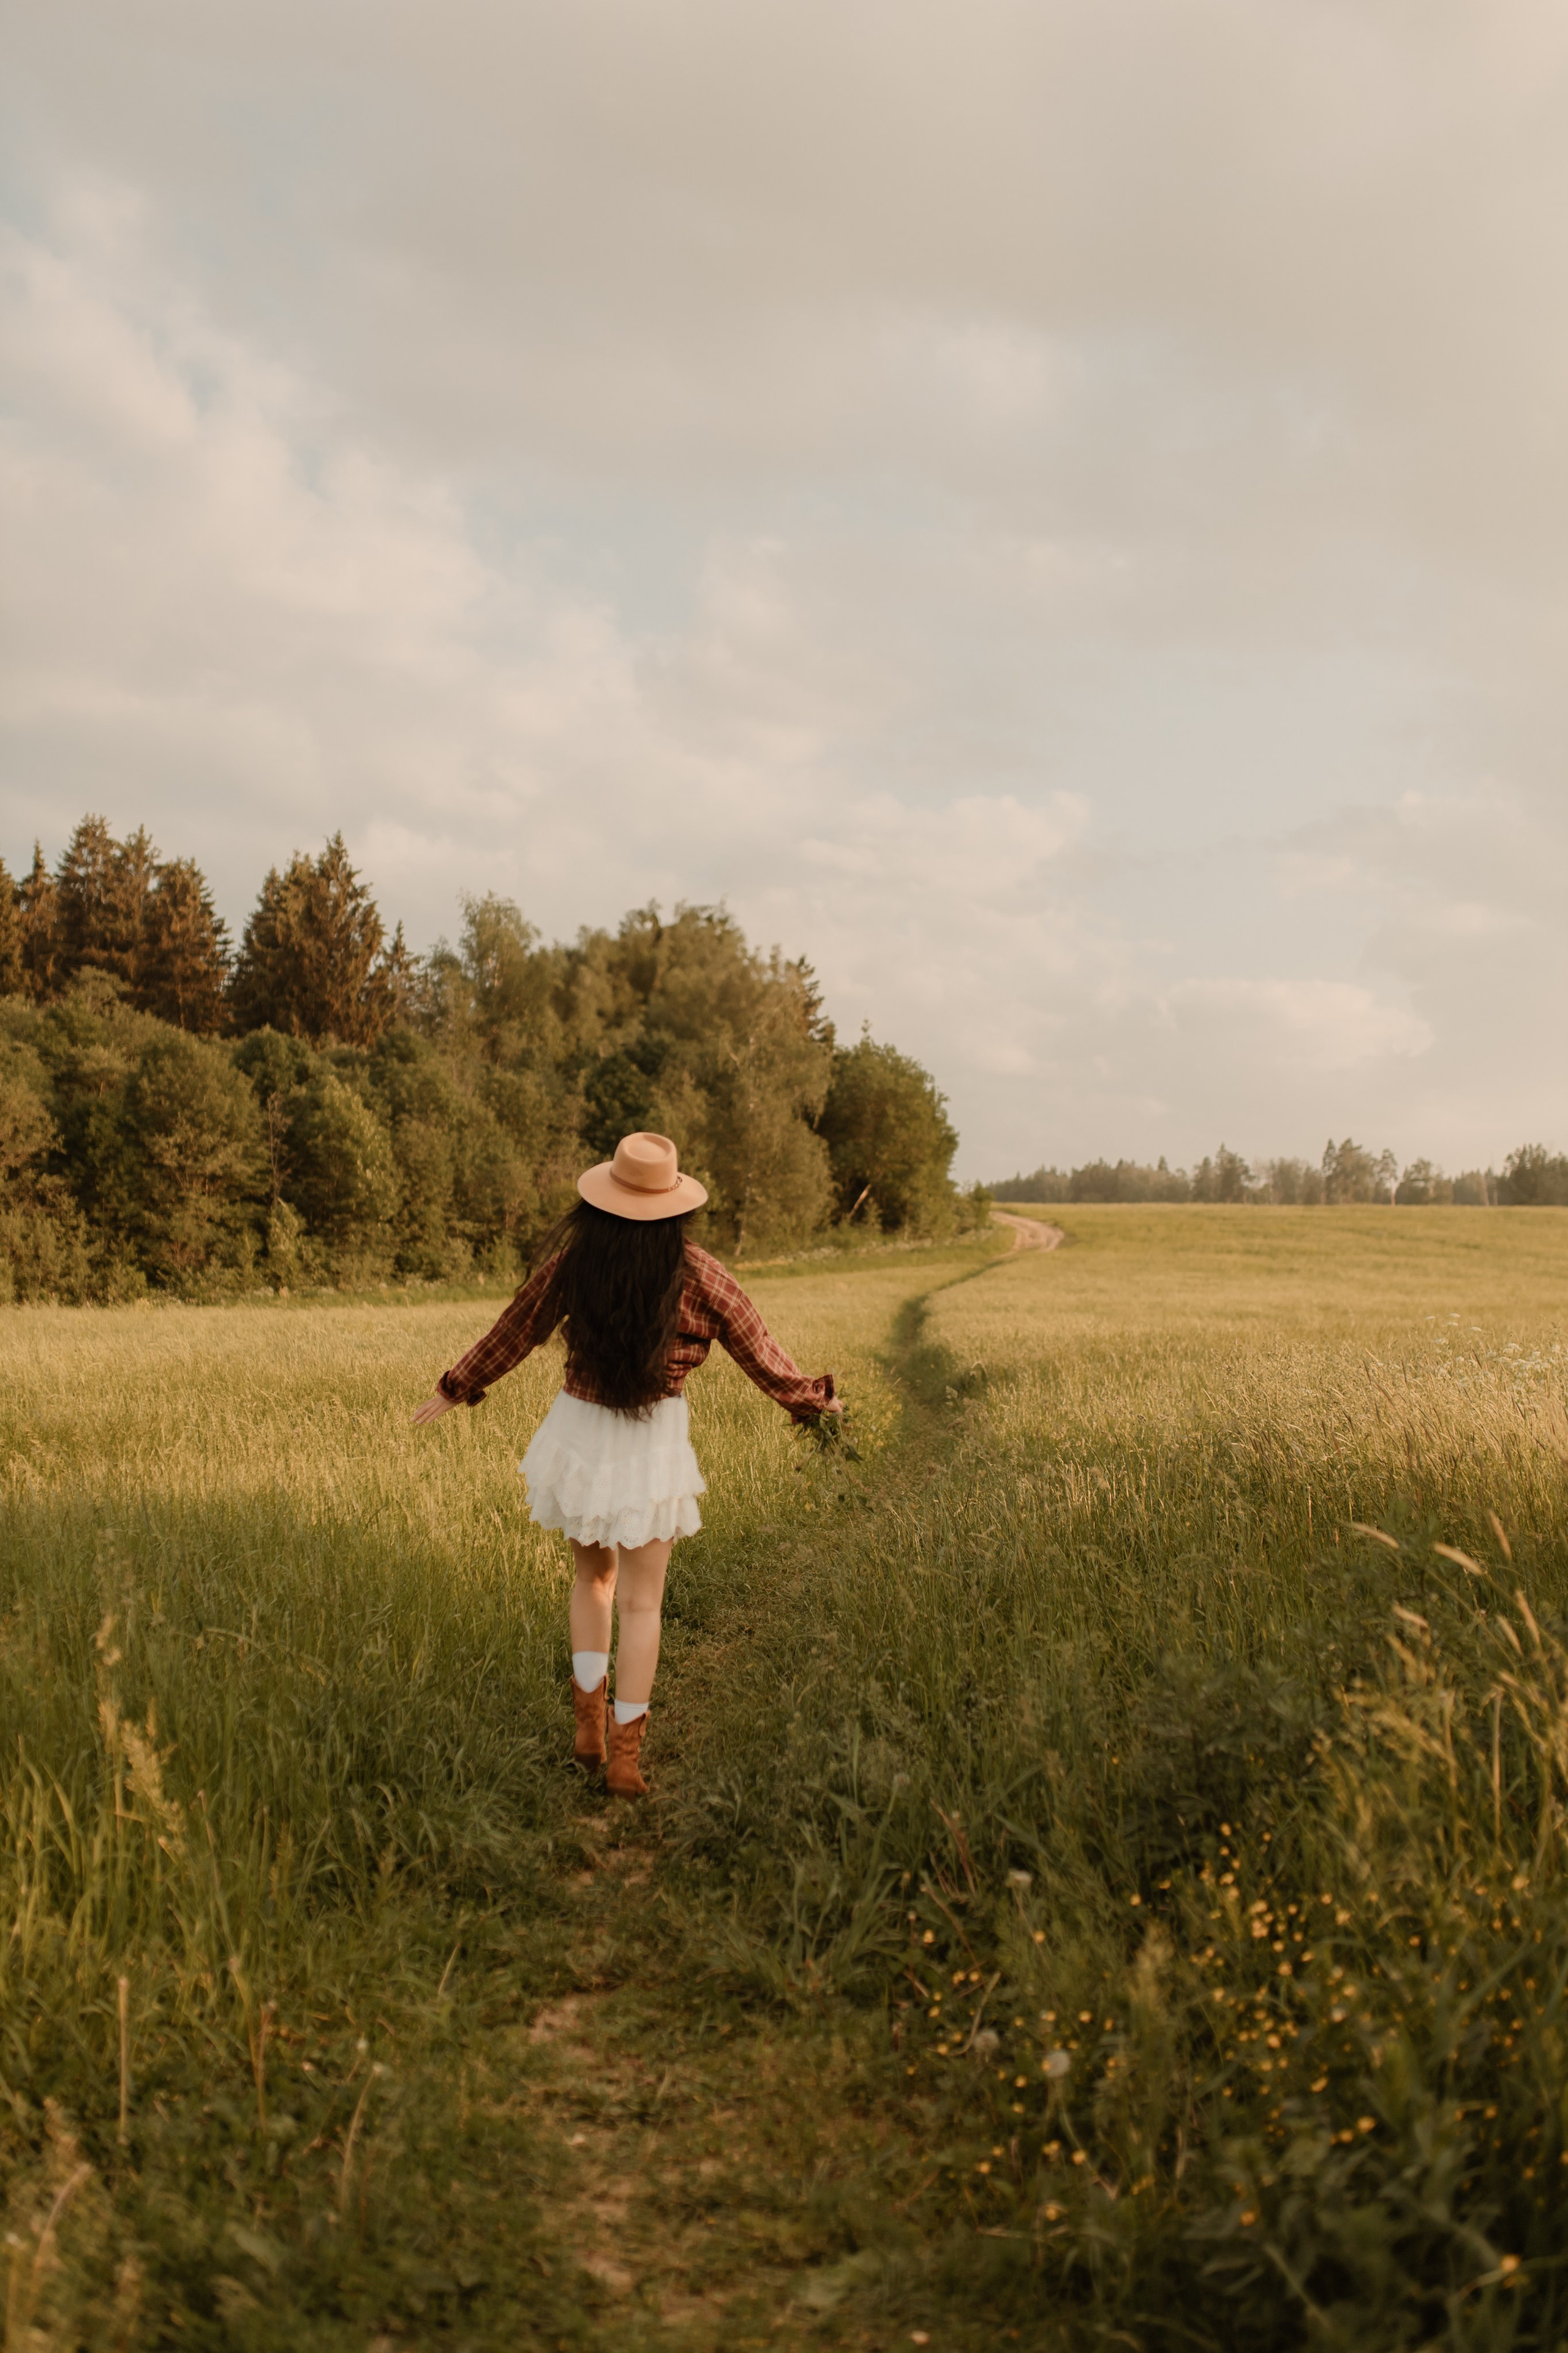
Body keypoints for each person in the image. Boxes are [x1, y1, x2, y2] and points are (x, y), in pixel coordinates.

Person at [412, 1131, 840, 1797]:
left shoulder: (576, 1263)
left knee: (593, 1583)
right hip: (653, 1440)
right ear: (675, 1205)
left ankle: (586, 1726)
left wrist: (455, 1385)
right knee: (644, 1605)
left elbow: (515, 1328)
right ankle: (626, 1760)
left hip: (580, 1430)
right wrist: (815, 1404)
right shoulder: (703, 1273)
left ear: (605, 1196)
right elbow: (762, 1351)